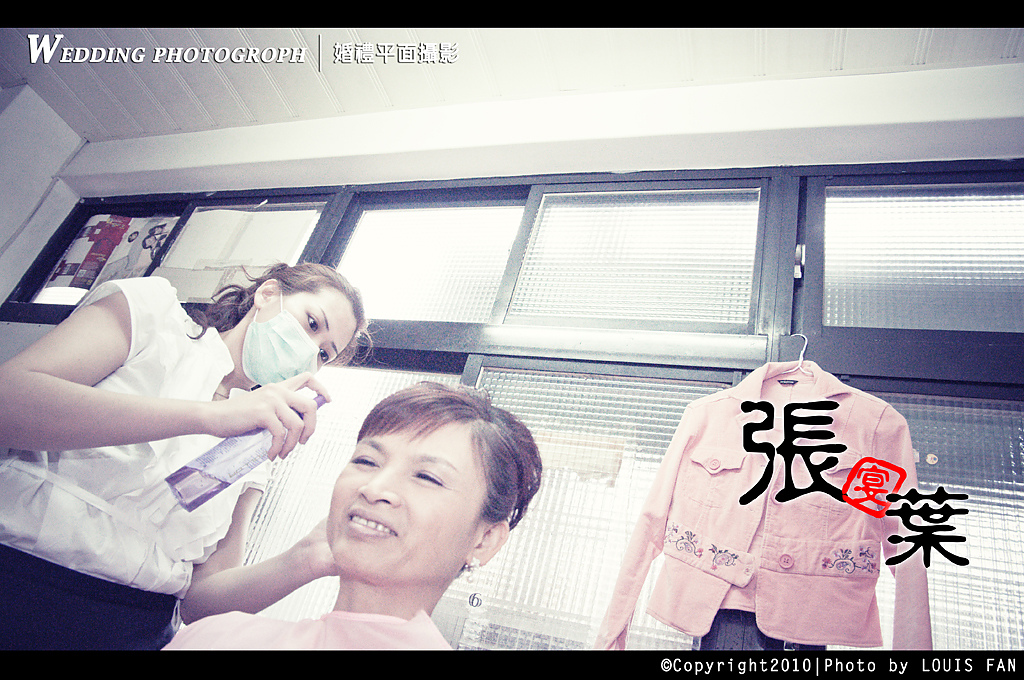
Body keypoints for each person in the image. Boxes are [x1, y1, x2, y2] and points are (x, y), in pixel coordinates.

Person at [0, 262, 369, 650]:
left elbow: (200, 605)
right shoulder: (153, 315)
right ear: (268, 294)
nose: (310, 350)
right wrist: (209, 417)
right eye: (312, 323)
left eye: (324, 353)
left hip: (137, 630)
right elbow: (8, 402)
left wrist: (305, 559)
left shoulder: (257, 444)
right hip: (17, 581)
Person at [163, 381, 543, 650]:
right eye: (366, 460)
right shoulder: (217, 638)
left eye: (427, 477)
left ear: (485, 540)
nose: (374, 488)